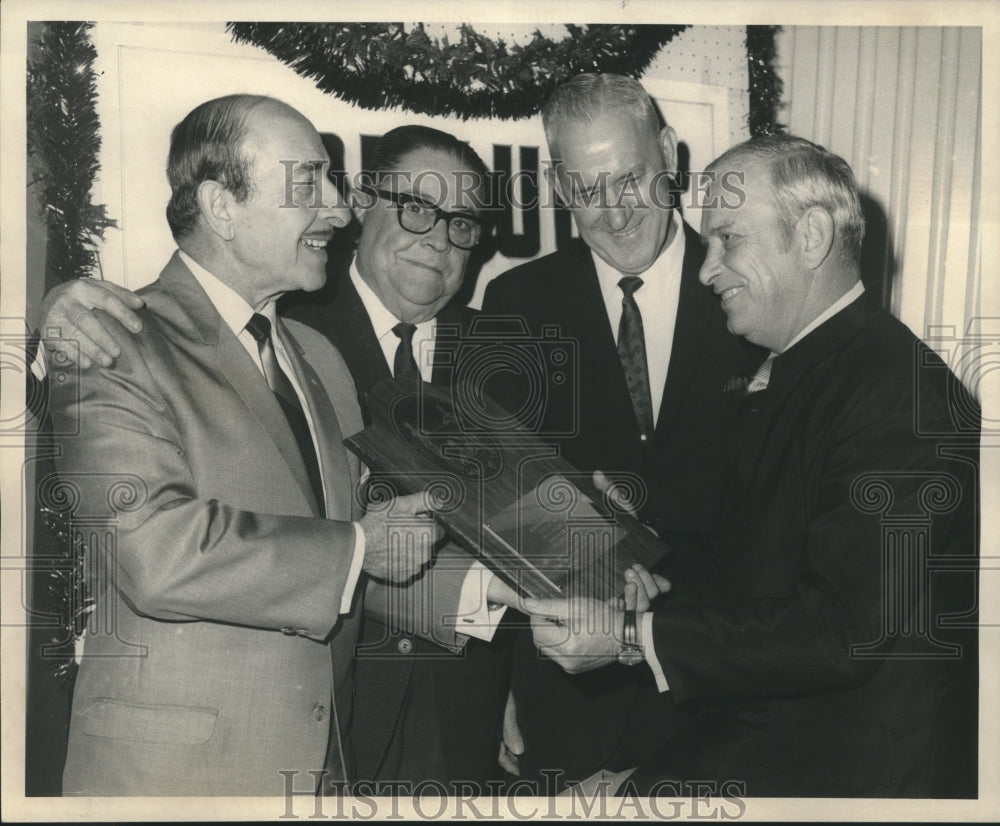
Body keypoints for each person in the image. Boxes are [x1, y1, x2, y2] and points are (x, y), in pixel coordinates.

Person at [36, 124, 523, 791]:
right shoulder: (111, 337)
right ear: (222, 207)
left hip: (318, 770)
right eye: (309, 185)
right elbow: (155, 552)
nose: (339, 209)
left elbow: (342, 561)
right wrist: (359, 546)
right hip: (175, 778)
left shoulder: (313, 357)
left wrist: (509, 590)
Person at [524, 134, 980, 797]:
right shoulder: (820, 369)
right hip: (778, 750)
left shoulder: (899, 395)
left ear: (813, 236)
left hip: (847, 779)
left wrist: (628, 633)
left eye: (728, 240)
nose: (707, 271)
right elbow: (763, 578)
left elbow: (840, 632)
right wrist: (639, 551)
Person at [479, 73, 763, 788]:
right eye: (586, 189)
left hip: (723, 696)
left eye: (630, 177)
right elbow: (488, 503)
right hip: (564, 697)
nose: (613, 211)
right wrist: (499, 686)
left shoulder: (758, 293)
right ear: (558, 184)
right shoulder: (515, 301)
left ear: (668, 152)